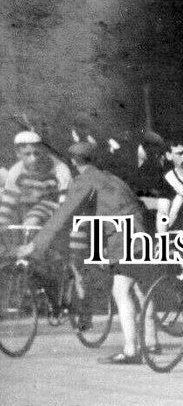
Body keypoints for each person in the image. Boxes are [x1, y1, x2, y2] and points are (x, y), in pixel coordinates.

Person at [17, 141, 147, 363]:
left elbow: (64, 213)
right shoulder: (110, 177)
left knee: (121, 290)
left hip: (121, 236)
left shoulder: (84, 181)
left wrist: (36, 245)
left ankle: (131, 351)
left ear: (75, 162)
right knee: (138, 289)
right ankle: (149, 343)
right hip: (138, 232)